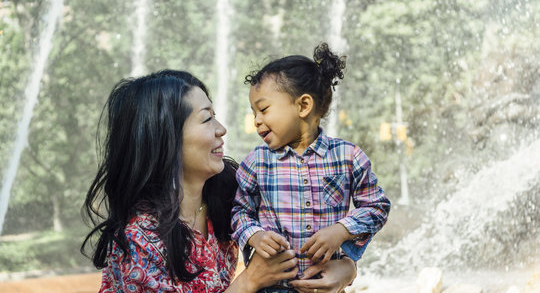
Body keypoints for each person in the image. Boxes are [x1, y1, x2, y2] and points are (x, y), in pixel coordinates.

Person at [81, 69, 356, 293]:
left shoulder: (227, 193)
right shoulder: (140, 239)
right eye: (207, 119)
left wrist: (347, 267)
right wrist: (250, 281)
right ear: (167, 138)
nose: (221, 129)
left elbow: (308, 219)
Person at [231, 43, 391, 291]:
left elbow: (377, 206)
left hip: (325, 286)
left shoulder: (347, 157)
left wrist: (342, 230)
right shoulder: (257, 162)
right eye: (253, 112)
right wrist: (255, 235)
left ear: (303, 106)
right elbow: (240, 212)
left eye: (263, 109)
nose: (256, 120)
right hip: (272, 287)